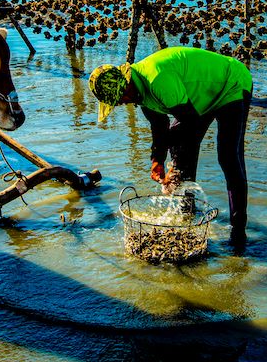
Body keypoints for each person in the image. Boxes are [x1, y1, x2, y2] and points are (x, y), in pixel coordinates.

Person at [89, 47, 252, 240]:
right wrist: (157, 160)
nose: (121, 103)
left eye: (119, 98)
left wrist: (166, 145)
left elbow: (189, 121)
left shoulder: (157, 79)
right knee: (181, 149)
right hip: (200, 97)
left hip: (230, 83)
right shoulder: (140, 95)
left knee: (228, 157)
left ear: (126, 85)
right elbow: (160, 126)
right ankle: (186, 217)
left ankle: (238, 231)